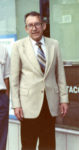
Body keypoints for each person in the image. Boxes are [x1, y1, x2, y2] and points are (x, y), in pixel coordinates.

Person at [10, 11, 69, 150]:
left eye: (37, 24)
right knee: (28, 145)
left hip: (50, 103)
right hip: (27, 105)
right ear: (26, 28)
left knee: (48, 145)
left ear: (44, 26)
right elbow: (14, 79)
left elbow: (60, 73)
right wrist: (16, 104)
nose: (34, 28)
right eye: (30, 25)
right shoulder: (18, 46)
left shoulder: (54, 44)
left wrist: (64, 99)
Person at [0, 45, 10, 150]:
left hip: (1, 98)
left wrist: (7, 99)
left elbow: (6, 77)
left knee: (2, 137)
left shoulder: (3, 50)